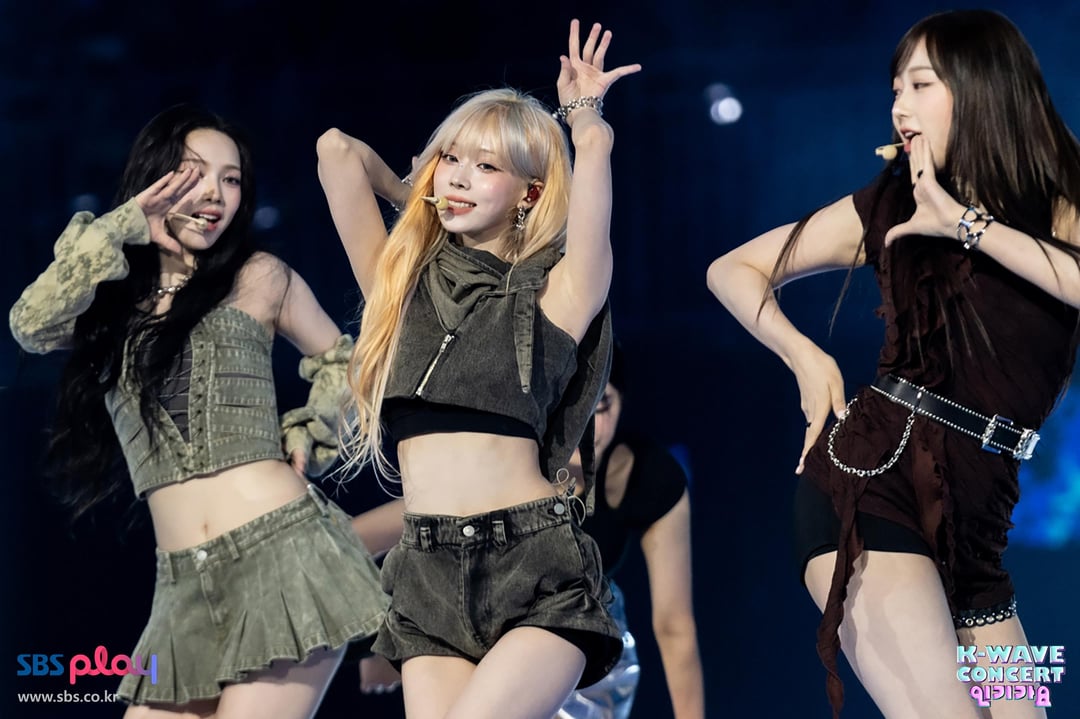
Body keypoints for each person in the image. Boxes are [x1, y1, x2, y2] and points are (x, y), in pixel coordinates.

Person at [707, 10, 1080, 719]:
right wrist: (806, 357)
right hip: (872, 485)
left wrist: (966, 225)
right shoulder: (892, 203)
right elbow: (733, 270)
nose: (899, 106)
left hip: (978, 531)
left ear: (981, 86)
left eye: (920, 84)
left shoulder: (1064, 206)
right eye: (894, 89)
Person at [9, 105, 388, 718]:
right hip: (181, 585)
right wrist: (123, 226)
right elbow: (30, 324)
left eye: (231, 179)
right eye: (194, 173)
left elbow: (345, 362)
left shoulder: (259, 276)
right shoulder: (109, 297)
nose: (215, 193)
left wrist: (310, 433)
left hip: (285, 556)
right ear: (154, 180)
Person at [317, 19, 641, 719]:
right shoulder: (399, 289)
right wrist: (418, 195)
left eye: (487, 166)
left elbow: (591, 177)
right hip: (427, 575)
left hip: (533, 565)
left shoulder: (557, 296)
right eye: (452, 158)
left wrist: (585, 116)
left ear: (530, 193)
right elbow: (336, 151)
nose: (460, 175)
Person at [558, 346, 705, 719]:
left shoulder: (651, 476)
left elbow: (674, 626)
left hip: (588, 665)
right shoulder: (510, 460)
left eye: (600, 404)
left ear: (621, 402)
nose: (584, 422)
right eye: (568, 402)